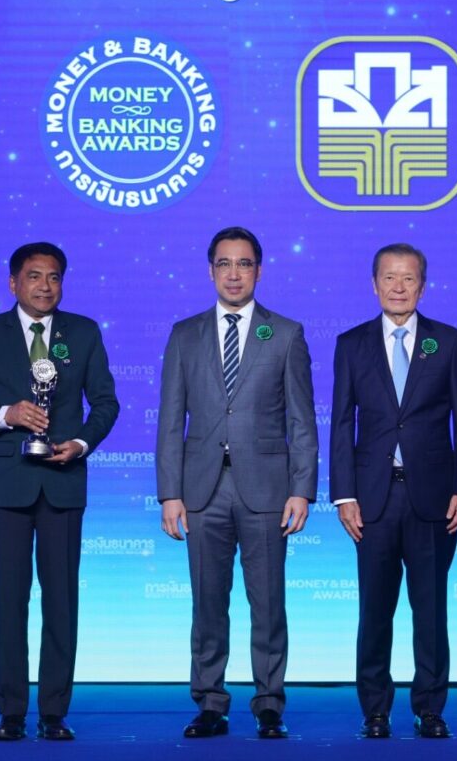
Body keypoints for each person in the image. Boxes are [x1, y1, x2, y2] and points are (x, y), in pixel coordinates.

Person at [0, 242, 119, 742]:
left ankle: (54, 712)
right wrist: (6, 413)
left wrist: (81, 443)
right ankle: (11, 712)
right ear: (13, 283)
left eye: (54, 277)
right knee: (9, 601)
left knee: (61, 602)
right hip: (8, 484)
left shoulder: (82, 332)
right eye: (35, 276)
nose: (45, 286)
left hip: (63, 481)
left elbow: (106, 403)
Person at [155, 226, 318, 740]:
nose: (233, 274)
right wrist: (170, 493)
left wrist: (302, 489)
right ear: (210, 271)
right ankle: (210, 702)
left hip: (268, 490)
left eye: (243, 264)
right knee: (208, 603)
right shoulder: (185, 334)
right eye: (224, 264)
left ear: (259, 271)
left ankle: (269, 703)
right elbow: (170, 421)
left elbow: (302, 420)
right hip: (201, 491)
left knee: (268, 603)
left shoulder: (285, 333)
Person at [329, 243, 457, 740]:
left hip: (434, 500)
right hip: (372, 500)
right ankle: (375, 710)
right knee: (374, 611)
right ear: (374, 284)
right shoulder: (351, 344)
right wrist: (344, 495)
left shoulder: (448, 342)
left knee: (430, 609)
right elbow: (341, 424)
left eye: (409, 278)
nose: (398, 287)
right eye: (389, 278)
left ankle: (430, 708)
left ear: (423, 286)